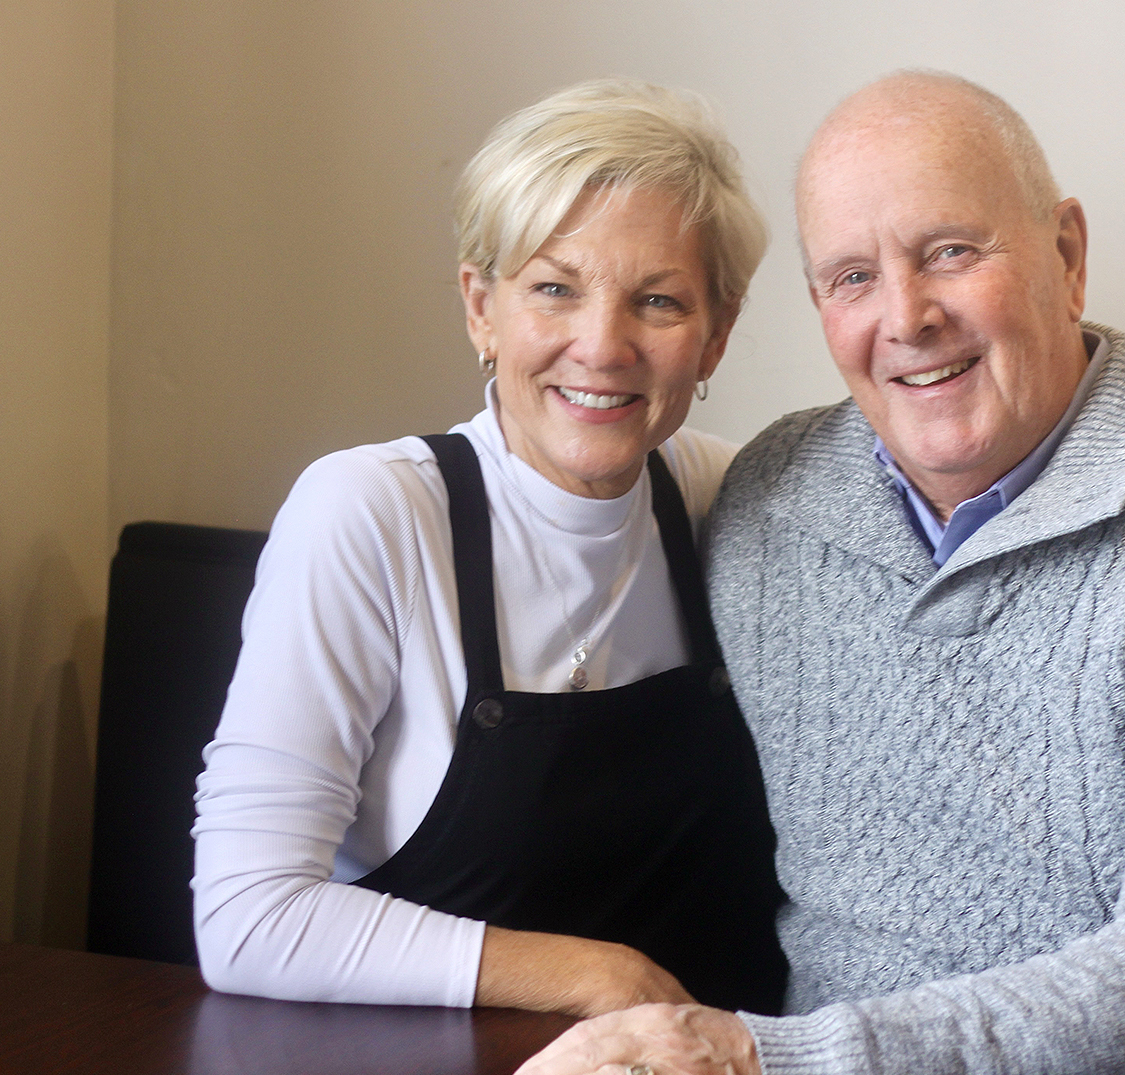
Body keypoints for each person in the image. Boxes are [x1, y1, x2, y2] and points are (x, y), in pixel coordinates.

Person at [518, 71, 1125, 1074]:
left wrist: (765, 1056)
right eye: (852, 276)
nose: (907, 316)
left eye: (950, 253)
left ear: (1067, 256)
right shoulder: (768, 501)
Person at [191, 79, 787, 1018]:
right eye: (555, 288)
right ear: (481, 307)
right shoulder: (373, 514)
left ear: (716, 337)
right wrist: (600, 978)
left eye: (659, 301)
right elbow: (248, 915)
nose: (603, 346)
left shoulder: (726, 498)